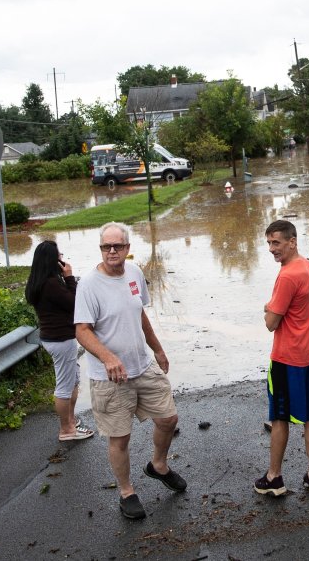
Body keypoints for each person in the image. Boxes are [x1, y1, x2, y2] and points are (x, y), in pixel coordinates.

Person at [74, 222, 184, 520]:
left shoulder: (134, 273)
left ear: (127, 248)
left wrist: (158, 349)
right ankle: (126, 492)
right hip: (110, 378)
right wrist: (108, 357)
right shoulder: (88, 284)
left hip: (142, 366)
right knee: (119, 437)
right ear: (101, 249)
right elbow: (82, 331)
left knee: (168, 418)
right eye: (106, 246)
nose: (111, 251)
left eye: (117, 246)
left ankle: (158, 465)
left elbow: (140, 314)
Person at [255, 220, 309, 498]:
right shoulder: (307, 266)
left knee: (280, 417)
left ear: (292, 241)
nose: (272, 249)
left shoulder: (287, 275)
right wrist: (275, 307)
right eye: (269, 243)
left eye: (277, 243)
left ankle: (274, 478)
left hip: (287, 357)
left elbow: (271, 323)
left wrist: (268, 309)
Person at [25, 240, 93, 442]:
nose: (62, 259)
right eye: (59, 256)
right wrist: (70, 277)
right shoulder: (51, 284)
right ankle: (67, 430)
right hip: (61, 340)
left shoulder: (38, 281)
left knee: (73, 380)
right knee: (64, 386)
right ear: (52, 260)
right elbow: (75, 303)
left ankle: (71, 420)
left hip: (55, 337)